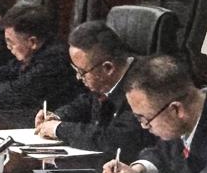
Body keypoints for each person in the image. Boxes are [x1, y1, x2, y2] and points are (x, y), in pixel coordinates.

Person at [33, 21, 146, 160]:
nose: (78, 77)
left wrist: (60, 129)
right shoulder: (105, 83)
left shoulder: (143, 86)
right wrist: (58, 117)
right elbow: (87, 102)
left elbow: (117, 138)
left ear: (108, 68)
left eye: (82, 72)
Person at [0, 3, 78, 109]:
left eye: (11, 42)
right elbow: (10, 68)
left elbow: (19, 90)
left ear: (32, 42)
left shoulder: (54, 59)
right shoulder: (35, 52)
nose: (8, 47)